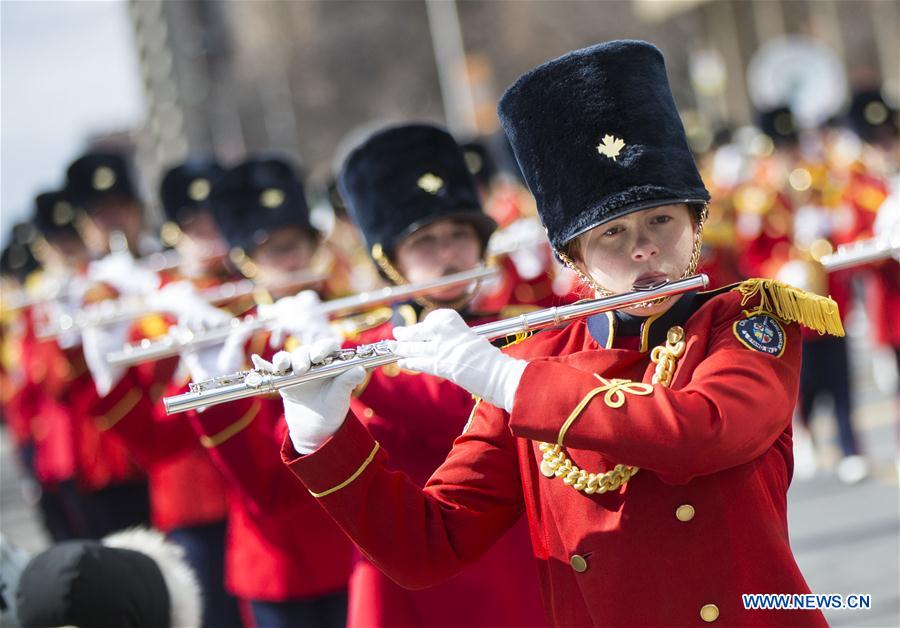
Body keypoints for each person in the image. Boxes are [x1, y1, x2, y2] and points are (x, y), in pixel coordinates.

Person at [271, 41, 841, 626]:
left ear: (695, 225)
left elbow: (704, 430)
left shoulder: (748, 321)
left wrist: (505, 381)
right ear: (575, 258)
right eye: (611, 234)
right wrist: (324, 438)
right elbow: (429, 547)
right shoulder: (538, 358)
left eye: (662, 220)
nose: (643, 246)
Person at [257, 122, 548, 628]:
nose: (447, 255)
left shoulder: (526, 324)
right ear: (390, 260)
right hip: (404, 578)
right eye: (425, 242)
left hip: (513, 564)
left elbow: (460, 408)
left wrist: (360, 367)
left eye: (460, 234)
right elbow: (284, 473)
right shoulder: (361, 342)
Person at [180, 156, 354, 628]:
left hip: (360, 541)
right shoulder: (237, 341)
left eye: (297, 244)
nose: (291, 260)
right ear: (244, 261)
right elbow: (263, 480)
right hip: (278, 557)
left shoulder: (351, 318)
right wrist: (218, 390)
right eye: (273, 250)